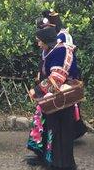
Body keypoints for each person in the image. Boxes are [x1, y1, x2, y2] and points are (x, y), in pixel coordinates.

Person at [27, 26, 78, 170]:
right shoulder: (51, 50)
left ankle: (62, 164)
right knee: (48, 126)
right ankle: (46, 158)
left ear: (46, 41)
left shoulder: (61, 51)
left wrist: (36, 91)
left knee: (60, 130)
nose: (38, 44)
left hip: (63, 98)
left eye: (39, 41)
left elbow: (57, 78)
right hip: (52, 96)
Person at [37, 11, 88, 140]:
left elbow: (66, 59)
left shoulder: (64, 37)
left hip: (65, 77)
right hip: (52, 76)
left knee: (67, 106)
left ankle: (70, 134)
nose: (46, 28)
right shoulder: (48, 37)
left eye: (48, 26)